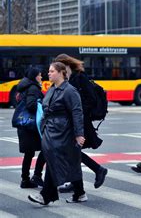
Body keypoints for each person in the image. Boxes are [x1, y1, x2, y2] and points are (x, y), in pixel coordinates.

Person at [28, 62, 86, 205]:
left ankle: (46, 195)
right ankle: (79, 192)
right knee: (68, 162)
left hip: (63, 132)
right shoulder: (52, 89)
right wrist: (42, 126)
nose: (49, 73)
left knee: (54, 160)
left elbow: (77, 113)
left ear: (61, 73)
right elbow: (46, 109)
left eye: (52, 71)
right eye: (49, 71)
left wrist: (79, 134)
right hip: (50, 130)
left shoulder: (70, 91)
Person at [53, 54, 108, 192]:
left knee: (71, 151)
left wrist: (78, 110)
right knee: (72, 152)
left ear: (66, 65)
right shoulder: (68, 78)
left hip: (80, 120)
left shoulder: (80, 77)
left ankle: (96, 171)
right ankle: (80, 183)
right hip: (71, 120)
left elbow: (90, 99)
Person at [15, 67, 46, 188]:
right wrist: (42, 104)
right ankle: (35, 176)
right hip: (30, 126)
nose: (41, 77)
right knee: (45, 149)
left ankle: (26, 179)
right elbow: (31, 105)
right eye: (39, 75)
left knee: (29, 153)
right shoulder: (33, 88)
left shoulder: (24, 86)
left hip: (25, 125)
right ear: (34, 77)